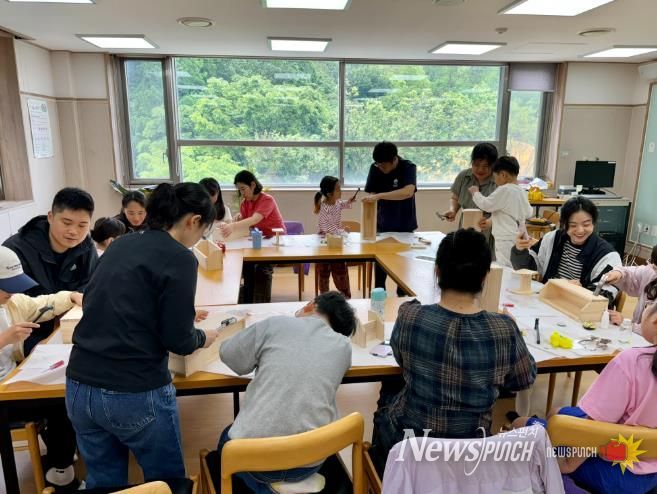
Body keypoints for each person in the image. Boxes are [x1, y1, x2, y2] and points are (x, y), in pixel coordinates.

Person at [65, 183, 220, 489]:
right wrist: (204, 337)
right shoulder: (180, 257)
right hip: (133, 388)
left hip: (80, 386)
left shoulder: (121, 243)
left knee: (104, 484)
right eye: (204, 229)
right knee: (166, 484)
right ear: (193, 221)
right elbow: (179, 340)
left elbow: (105, 301)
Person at [369, 228, 537, 474]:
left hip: (409, 447)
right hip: (469, 454)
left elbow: (400, 358)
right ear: (485, 277)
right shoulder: (504, 329)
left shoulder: (411, 316)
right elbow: (524, 378)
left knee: (390, 388)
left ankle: (379, 472)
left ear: (437, 271)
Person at [510, 304, 657, 494]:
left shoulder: (632, 362)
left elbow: (593, 430)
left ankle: (562, 482)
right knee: (558, 414)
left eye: (649, 305)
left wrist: (567, 463)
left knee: (521, 424)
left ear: (655, 321)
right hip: (650, 467)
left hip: (618, 469)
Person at [217, 291, 355, 493]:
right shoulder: (344, 347)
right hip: (310, 460)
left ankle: (267, 489)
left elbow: (229, 354)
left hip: (255, 458)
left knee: (226, 440)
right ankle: (286, 486)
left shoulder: (276, 324)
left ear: (311, 304)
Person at [0, 246, 84, 489]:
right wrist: (4, 340)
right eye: (6, 286)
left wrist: (71, 296)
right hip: (4, 396)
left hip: (12, 382)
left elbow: (42, 303)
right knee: (60, 402)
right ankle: (62, 475)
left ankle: (61, 461)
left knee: (66, 391)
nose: (12, 292)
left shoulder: (12, 303)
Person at [3, 187, 97, 354]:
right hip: (26, 337)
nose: (73, 231)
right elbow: (13, 307)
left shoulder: (85, 245)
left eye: (82, 225)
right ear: (50, 217)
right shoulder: (16, 250)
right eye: (66, 223)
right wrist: (37, 345)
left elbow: (91, 284)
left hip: (71, 324)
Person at [511, 196, 622, 305]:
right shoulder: (552, 239)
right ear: (564, 224)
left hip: (577, 309)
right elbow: (528, 270)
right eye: (573, 225)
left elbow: (604, 297)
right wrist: (520, 251)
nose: (580, 230)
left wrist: (578, 291)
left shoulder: (607, 255)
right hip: (548, 301)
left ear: (594, 223)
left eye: (586, 224)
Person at [219, 170, 286, 304]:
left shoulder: (267, 199)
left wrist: (233, 226)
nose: (242, 193)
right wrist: (238, 219)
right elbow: (247, 224)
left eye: (243, 189)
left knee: (263, 268)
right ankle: (248, 302)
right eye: (239, 190)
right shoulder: (245, 203)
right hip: (258, 241)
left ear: (253, 185)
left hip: (275, 241)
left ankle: (260, 305)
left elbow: (255, 219)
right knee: (247, 265)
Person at [364, 141, 417, 296]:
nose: (380, 168)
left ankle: (402, 299)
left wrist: (380, 195)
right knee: (380, 271)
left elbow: (408, 192)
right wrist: (371, 201)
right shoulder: (375, 168)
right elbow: (372, 194)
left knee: (402, 271)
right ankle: (379, 299)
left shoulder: (408, 167)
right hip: (382, 226)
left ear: (394, 159)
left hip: (405, 225)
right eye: (378, 164)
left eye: (383, 165)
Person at [469, 156, 532, 267]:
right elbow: (528, 212)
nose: (495, 181)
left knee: (506, 267)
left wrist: (475, 193)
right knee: (517, 265)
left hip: (505, 238)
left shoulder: (504, 189)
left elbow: (486, 204)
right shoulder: (522, 191)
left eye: (495, 176)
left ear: (503, 175)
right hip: (520, 237)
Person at [443, 142, 499, 250]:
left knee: (486, 257)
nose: (480, 170)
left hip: (489, 229)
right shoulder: (464, 176)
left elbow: (502, 211)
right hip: (466, 227)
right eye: (476, 165)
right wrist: (453, 210)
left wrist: (490, 222)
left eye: (485, 166)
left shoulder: (498, 180)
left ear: (493, 165)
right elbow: (455, 198)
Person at [314, 176, 356, 299]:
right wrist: (343, 231)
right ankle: (324, 299)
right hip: (325, 243)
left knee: (340, 271)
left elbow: (342, 205)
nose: (340, 191)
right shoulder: (324, 208)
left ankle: (345, 297)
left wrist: (349, 201)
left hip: (336, 241)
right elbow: (329, 229)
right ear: (329, 194)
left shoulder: (336, 202)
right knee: (324, 274)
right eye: (338, 189)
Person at [604, 244, 657, 325]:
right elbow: (632, 274)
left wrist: (626, 324)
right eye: (654, 268)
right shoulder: (651, 272)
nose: (654, 271)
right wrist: (619, 273)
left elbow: (651, 329)